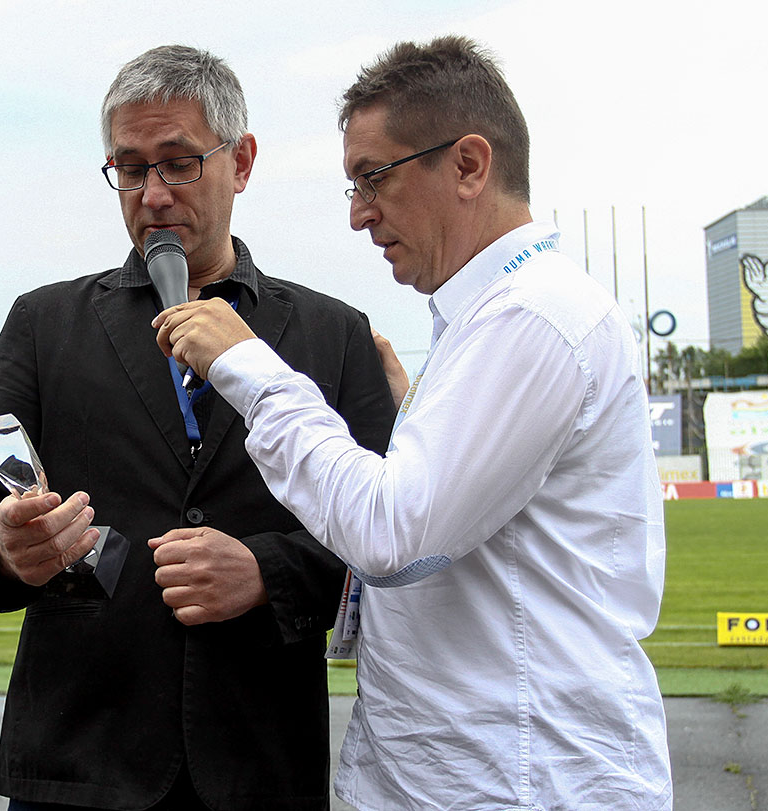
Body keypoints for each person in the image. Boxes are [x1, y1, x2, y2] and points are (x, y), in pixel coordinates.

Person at [154, 36, 673, 810]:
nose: (359, 214)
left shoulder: (533, 317)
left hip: (518, 781)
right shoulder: (490, 317)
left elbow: (393, 533)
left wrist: (252, 370)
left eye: (374, 177)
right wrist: (412, 417)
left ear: (468, 165)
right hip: (474, 772)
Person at [0, 45, 395, 811]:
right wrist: (5, 548)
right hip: (78, 770)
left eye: (178, 163)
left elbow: (387, 531)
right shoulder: (43, 323)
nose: (152, 194)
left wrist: (265, 571)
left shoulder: (334, 334)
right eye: (130, 167)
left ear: (241, 162)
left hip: (260, 767)